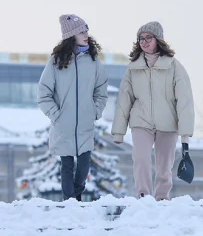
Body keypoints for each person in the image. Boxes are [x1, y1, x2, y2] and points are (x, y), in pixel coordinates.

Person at [112, 21, 194, 201]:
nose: (144, 41)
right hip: (141, 122)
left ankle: (162, 198)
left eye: (148, 37)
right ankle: (143, 195)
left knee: (164, 166)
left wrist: (185, 133)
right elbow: (124, 100)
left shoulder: (174, 67)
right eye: (141, 38)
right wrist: (119, 131)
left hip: (168, 123)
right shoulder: (133, 68)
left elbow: (185, 101)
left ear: (158, 40)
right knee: (141, 159)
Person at [37, 14, 108, 201]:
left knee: (84, 166)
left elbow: (101, 89)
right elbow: (43, 93)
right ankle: (70, 202)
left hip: (85, 122)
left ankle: (76, 196)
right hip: (63, 125)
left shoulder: (93, 60)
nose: (86, 35)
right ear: (71, 36)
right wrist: (56, 115)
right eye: (81, 32)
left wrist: (95, 111)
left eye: (86, 31)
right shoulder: (56, 61)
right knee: (66, 166)